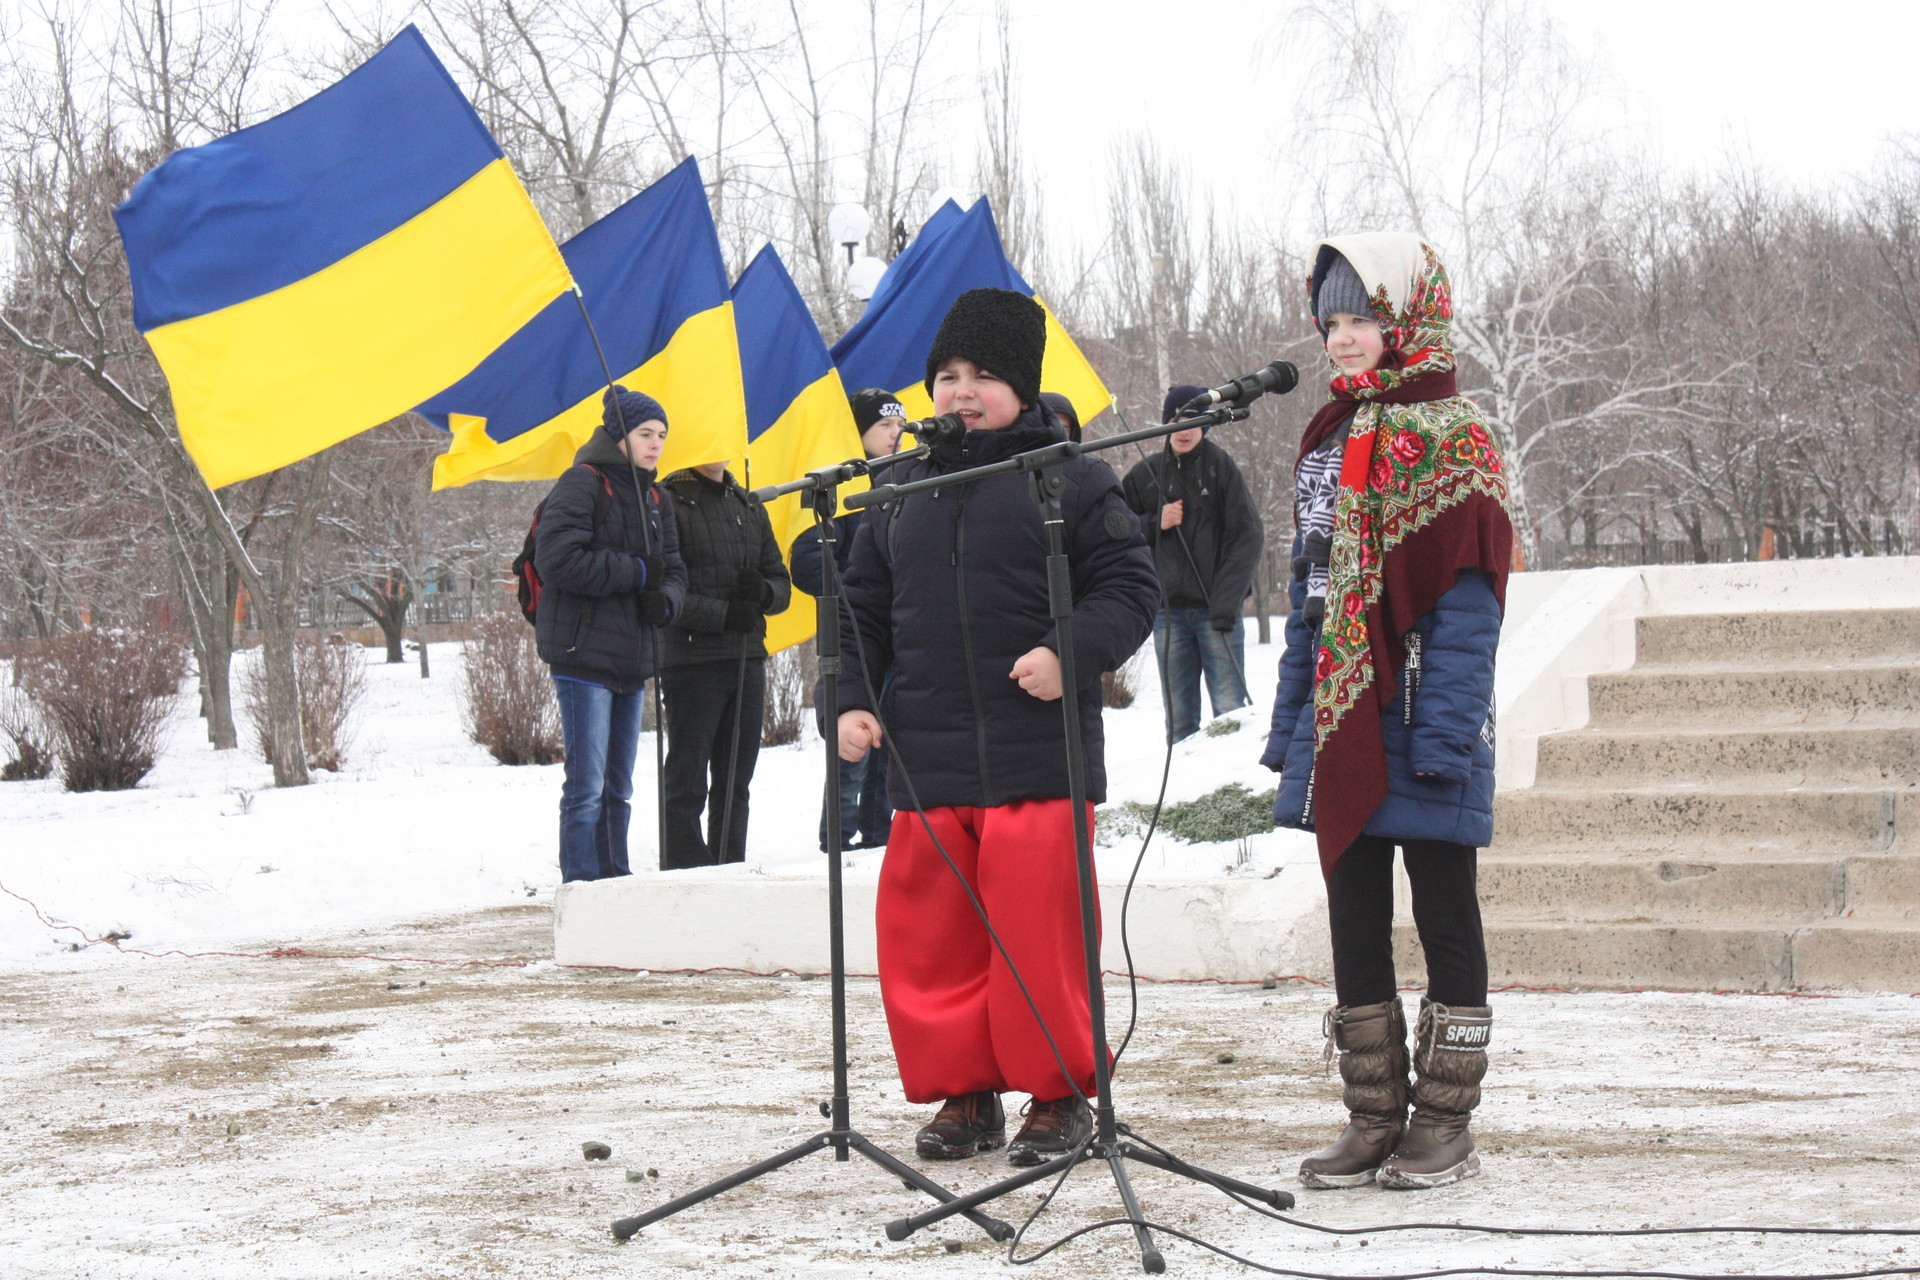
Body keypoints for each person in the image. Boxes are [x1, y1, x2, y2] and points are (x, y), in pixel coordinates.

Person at [835, 288, 1158, 1167]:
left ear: (1021, 384)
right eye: (948, 375)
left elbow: (1131, 588)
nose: (962, 391)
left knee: (1037, 939)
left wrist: (1067, 651)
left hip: (1035, 758)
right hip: (927, 759)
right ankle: (965, 1092)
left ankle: (1057, 1096)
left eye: (983, 375)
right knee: (934, 941)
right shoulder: (898, 489)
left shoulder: (1072, 480)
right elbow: (859, 611)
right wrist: (851, 699)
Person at [1259, 235, 1513, 1191]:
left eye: (1362, 317)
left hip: (1424, 714)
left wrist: (1446, 734)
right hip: (1344, 717)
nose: (1341, 337)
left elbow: (1472, 604)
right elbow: (1311, 598)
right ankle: (1373, 1118)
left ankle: (1444, 1122)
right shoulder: (1327, 440)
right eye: (1330, 320)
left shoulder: (1457, 436)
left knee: (1445, 913)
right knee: (1353, 915)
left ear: (1408, 319)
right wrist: (1291, 726)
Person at [534, 387, 685, 884]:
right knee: (587, 786)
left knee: (619, 787)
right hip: (583, 655)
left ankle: (615, 880)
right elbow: (558, 560)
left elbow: (674, 569)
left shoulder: (656, 497)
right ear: (618, 435)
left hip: (632, 658)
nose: (656, 444)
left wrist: (667, 600)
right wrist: (637, 572)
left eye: (662, 435)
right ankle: (581, 885)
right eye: (645, 433)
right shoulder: (583, 482)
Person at [656, 455, 792, 869]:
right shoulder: (667, 501)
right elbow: (664, 591)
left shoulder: (747, 504)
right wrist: (723, 615)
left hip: (746, 656)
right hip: (691, 659)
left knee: (736, 780)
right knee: (688, 778)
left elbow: (780, 581)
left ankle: (730, 866)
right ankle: (683, 871)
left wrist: (764, 593)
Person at [789, 387, 907, 852]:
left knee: (888, 747)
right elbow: (806, 559)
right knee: (851, 746)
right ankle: (836, 839)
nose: (896, 433)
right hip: (856, 641)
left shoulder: (909, 481)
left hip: (901, 638)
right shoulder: (839, 485)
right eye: (884, 425)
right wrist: (857, 599)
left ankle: (879, 835)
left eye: (901, 424)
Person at [1121, 387, 1265, 741]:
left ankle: (1232, 773)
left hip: (1217, 613)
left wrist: (1225, 603)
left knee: (1230, 715)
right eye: (1175, 420)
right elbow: (1114, 529)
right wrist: (1154, 522)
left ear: (1205, 424)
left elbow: (1247, 536)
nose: (1183, 429)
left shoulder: (1221, 467)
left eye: (1191, 420)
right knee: (1180, 721)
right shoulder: (1144, 473)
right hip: (1167, 614)